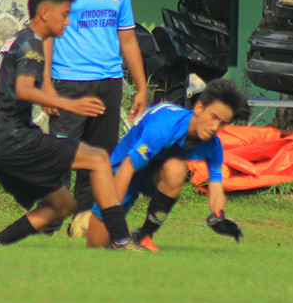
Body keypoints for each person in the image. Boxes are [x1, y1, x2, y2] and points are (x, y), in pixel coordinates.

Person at [0, 0, 146, 250]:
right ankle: (122, 240)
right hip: (16, 139)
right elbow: (24, 89)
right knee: (98, 158)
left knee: (63, 204)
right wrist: (70, 104)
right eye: (65, 15)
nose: (68, 22)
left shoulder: (13, 41)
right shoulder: (32, 44)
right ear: (44, 14)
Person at [43, 0, 149, 232]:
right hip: (69, 82)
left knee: (98, 158)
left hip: (109, 83)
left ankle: (83, 221)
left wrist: (141, 87)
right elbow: (45, 35)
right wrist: (45, 84)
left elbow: (127, 39)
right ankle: (47, 222)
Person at [84, 79, 251, 251]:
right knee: (97, 245)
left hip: (153, 174)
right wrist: (116, 224)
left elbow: (216, 187)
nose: (215, 127)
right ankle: (92, 222)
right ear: (199, 108)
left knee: (176, 169)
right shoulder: (163, 129)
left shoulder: (213, 147)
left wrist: (218, 216)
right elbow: (127, 168)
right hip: (124, 169)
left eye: (223, 123)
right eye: (214, 117)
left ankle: (143, 235)